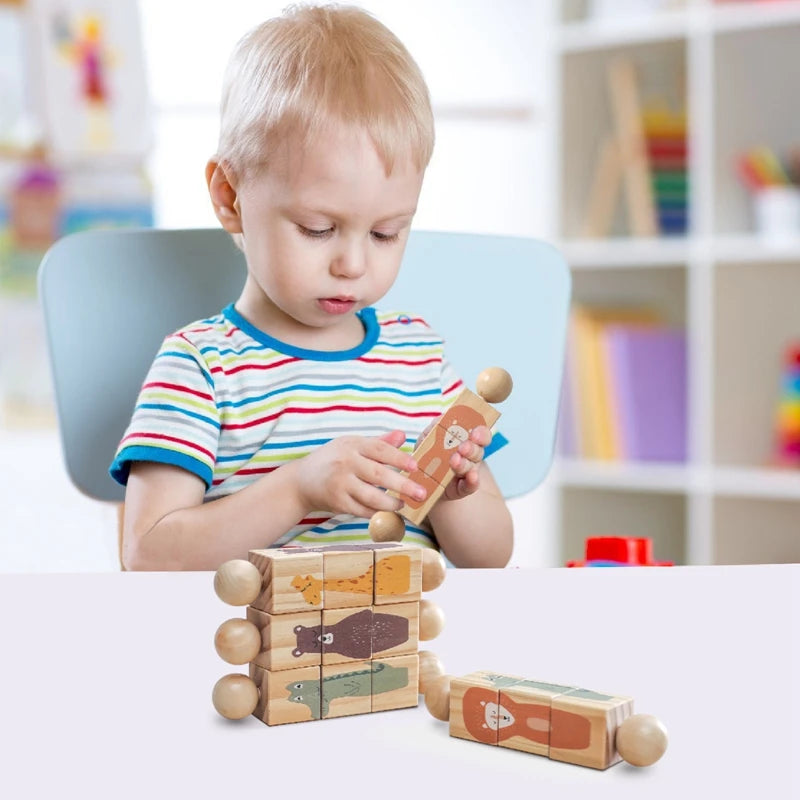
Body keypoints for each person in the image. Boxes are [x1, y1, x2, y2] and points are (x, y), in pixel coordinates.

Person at [111, 4, 513, 571]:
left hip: (407, 634)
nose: (352, 264)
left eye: (385, 232)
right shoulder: (202, 366)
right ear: (231, 197)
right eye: (317, 229)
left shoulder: (418, 358)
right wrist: (297, 489)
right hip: (262, 645)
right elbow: (147, 558)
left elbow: (492, 558)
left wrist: (447, 497)